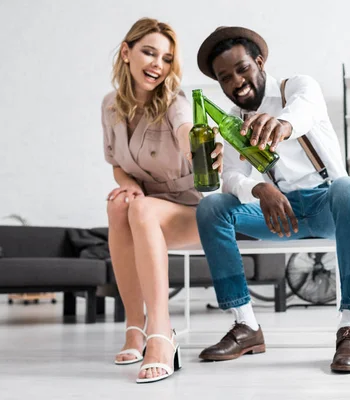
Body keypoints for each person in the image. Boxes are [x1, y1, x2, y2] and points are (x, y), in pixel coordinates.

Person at [194, 26, 350, 372]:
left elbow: (302, 113)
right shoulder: (230, 121)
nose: (237, 82)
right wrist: (260, 189)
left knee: (349, 186)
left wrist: (281, 125)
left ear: (259, 62)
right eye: (225, 77)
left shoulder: (300, 87)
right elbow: (230, 177)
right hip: (279, 212)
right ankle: (245, 325)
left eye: (242, 69)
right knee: (212, 207)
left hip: (327, 205)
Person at [102, 17, 223, 383]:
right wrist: (130, 185)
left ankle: (161, 331)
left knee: (136, 206)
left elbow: (186, 129)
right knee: (119, 203)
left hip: (192, 210)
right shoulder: (110, 106)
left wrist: (201, 146)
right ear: (127, 52)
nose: (158, 64)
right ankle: (133, 326)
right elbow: (117, 165)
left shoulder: (174, 100)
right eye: (149, 53)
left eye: (166, 58)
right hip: (147, 212)